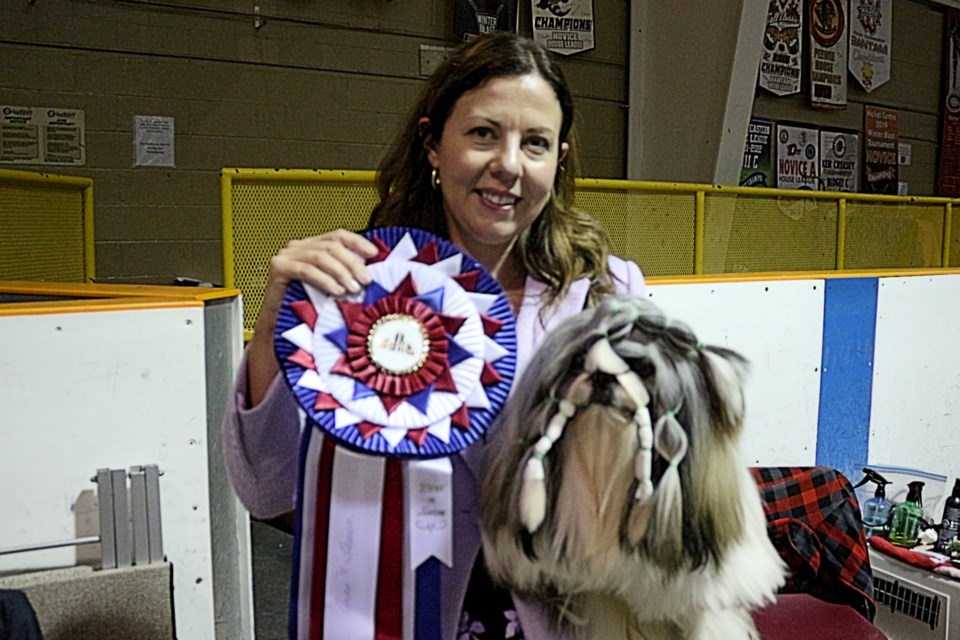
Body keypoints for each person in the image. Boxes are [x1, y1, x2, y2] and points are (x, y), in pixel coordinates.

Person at [221, 33, 646, 639]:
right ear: (432, 145)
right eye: (483, 134)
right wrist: (273, 322)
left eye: (535, 144)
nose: (508, 163)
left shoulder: (608, 294)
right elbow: (266, 488)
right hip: (394, 617)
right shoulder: (356, 291)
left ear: (559, 160)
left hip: (563, 619)